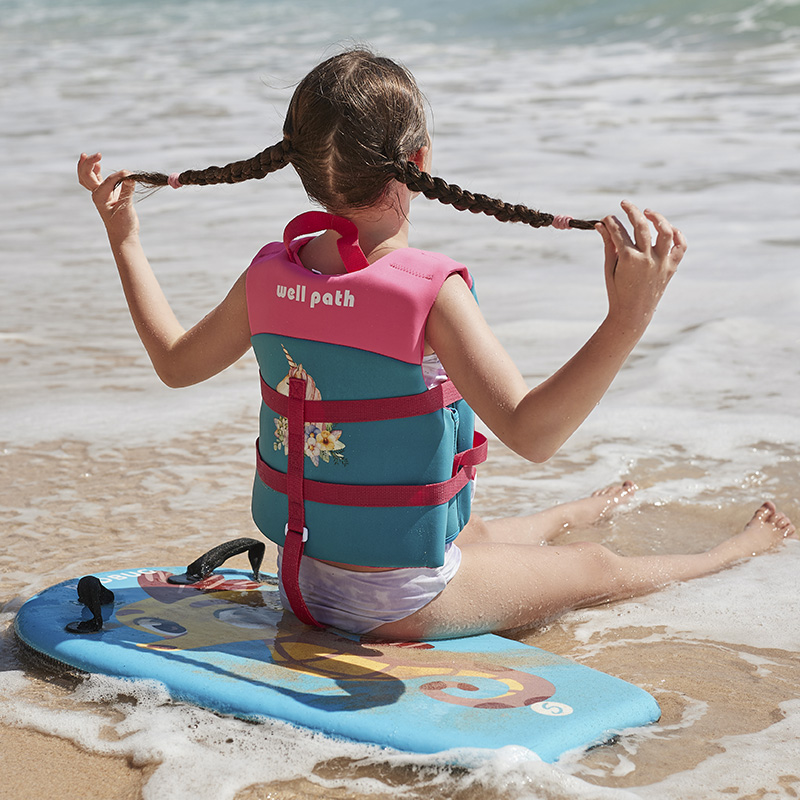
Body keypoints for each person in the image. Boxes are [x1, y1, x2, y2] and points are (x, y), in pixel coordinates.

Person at [77, 49, 796, 641]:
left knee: (474, 531)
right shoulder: (428, 292)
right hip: (396, 606)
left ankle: (557, 516)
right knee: (596, 567)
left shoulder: (270, 275)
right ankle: (729, 552)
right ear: (419, 158)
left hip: (300, 577)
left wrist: (125, 238)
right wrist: (628, 319)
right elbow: (534, 430)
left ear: (299, 166)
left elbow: (174, 362)